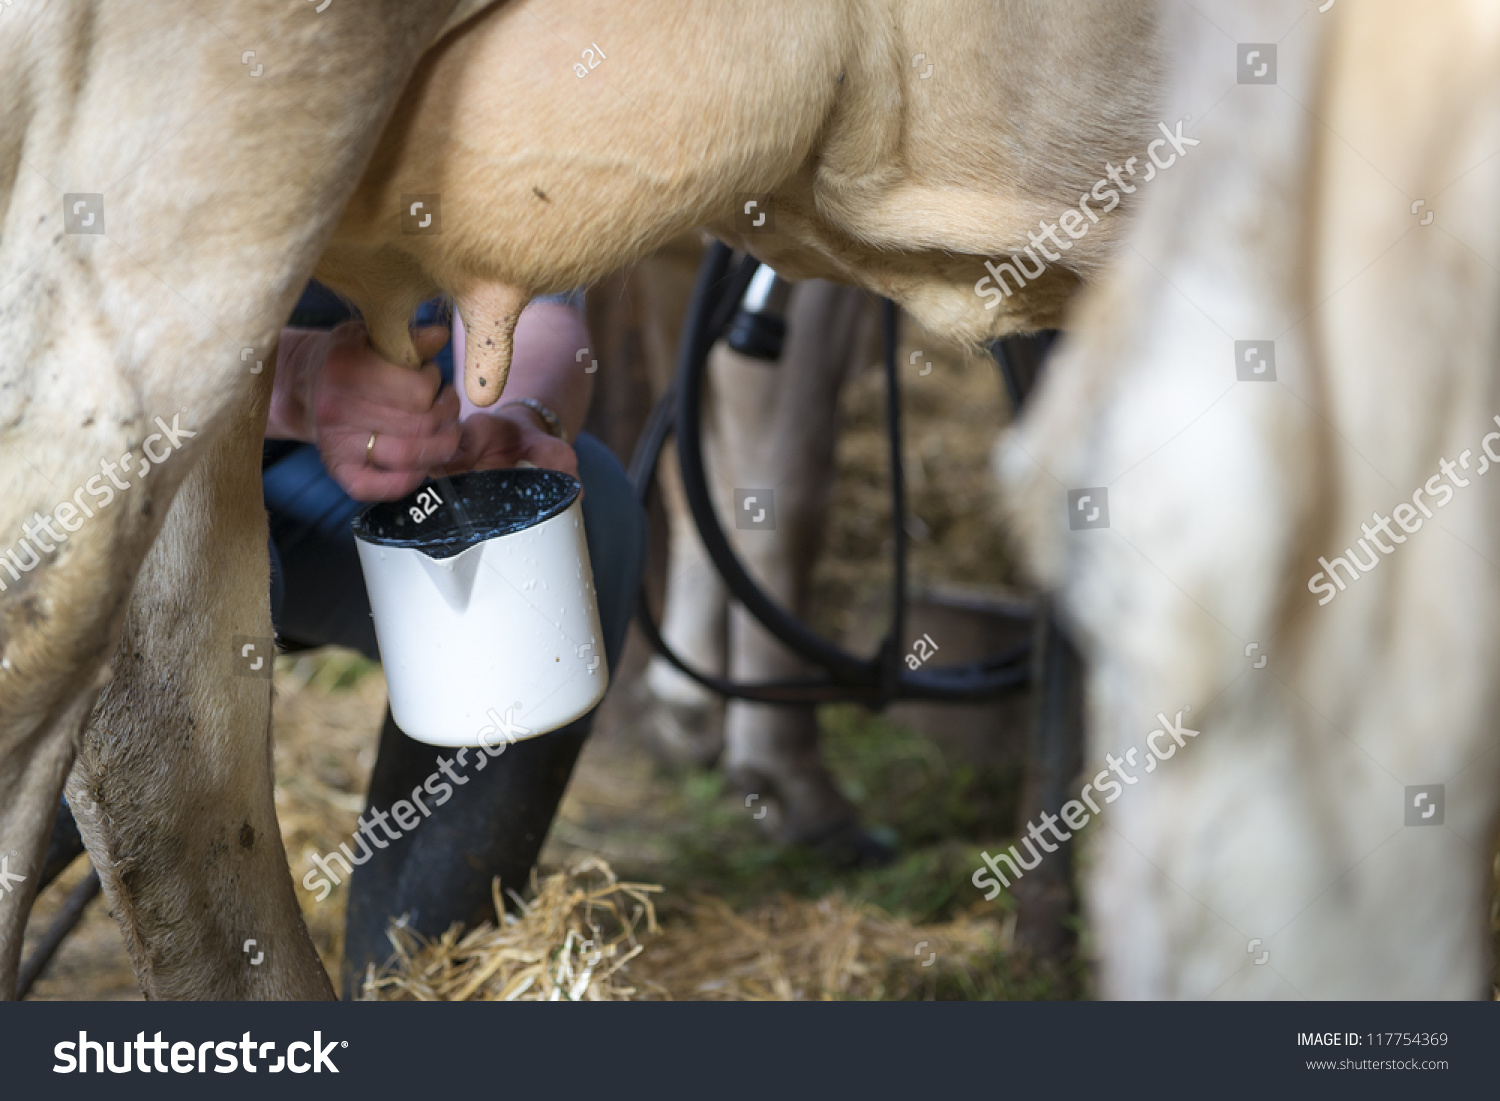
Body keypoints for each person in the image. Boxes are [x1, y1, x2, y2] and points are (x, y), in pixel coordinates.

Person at [263, 284, 645, 996]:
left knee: (588, 521)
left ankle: (410, 985)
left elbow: (539, 303)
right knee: (210, 585)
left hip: (375, 464)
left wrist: (513, 415)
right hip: (143, 478)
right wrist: (292, 379)